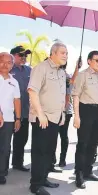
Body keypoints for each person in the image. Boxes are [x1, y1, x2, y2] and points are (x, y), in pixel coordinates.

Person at [28, 42, 68, 195]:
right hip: (42, 118)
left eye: (66, 53)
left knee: (49, 151)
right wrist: (40, 114)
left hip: (56, 118)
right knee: (39, 151)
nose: (65, 55)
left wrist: (62, 114)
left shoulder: (62, 72)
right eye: (62, 52)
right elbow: (32, 91)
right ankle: (35, 185)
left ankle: (43, 178)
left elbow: (60, 95)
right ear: (53, 53)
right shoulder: (41, 68)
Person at [72, 51, 98, 189]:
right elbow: (75, 95)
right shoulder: (82, 75)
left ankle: (88, 171)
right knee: (83, 144)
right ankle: (79, 174)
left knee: (94, 144)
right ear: (89, 61)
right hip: (86, 110)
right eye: (97, 60)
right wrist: (76, 115)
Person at [9, 46, 32, 172]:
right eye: (21, 55)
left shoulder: (29, 70)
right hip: (8, 112)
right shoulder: (6, 69)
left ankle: (18, 163)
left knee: (22, 139)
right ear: (12, 55)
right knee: (4, 142)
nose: (24, 57)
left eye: (25, 55)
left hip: (24, 112)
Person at [0, 52, 21, 185]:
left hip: (8, 120)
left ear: (12, 65)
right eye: (2, 61)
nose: (5, 64)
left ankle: (2, 173)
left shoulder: (14, 82)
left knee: (5, 148)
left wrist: (18, 118)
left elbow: (17, 100)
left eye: (9, 62)